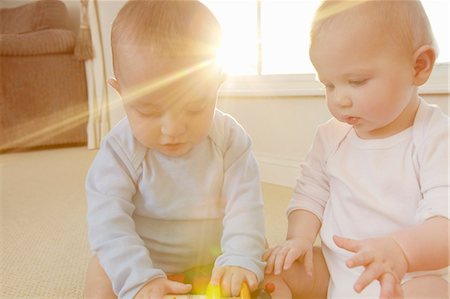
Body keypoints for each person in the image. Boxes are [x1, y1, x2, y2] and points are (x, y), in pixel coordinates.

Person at [263, 1, 449, 298]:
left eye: (356, 82)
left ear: (419, 66)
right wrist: (298, 239)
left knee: (433, 291)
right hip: (336, 270)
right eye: (328, 85)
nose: (339, 100)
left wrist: (401, 251)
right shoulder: (330, 136)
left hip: (405, 277)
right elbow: (309, 195)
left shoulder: (435, 137)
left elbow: (446, 226)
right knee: (274, 269)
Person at [84, 1, 266, 298]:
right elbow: (109, 224)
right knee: (101, 272)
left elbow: (245, 207)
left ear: (217, 85)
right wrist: (139, 279)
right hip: (145, 261)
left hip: (215, 258)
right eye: (148, 111)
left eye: (195, 106)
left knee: (256, 255)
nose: (173, 129)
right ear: (120, 93)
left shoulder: (230, 139)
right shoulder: (119, 151)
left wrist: (238, 258)